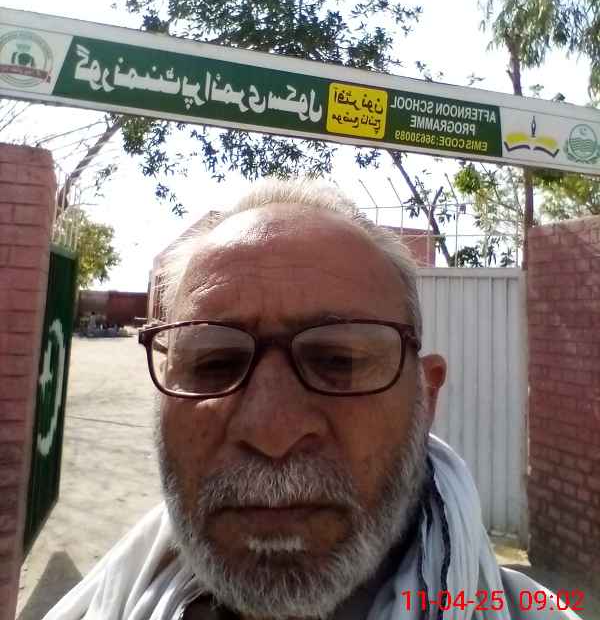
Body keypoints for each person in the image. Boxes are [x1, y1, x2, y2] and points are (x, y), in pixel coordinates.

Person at [44, 179, 580, 620]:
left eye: (338, 361)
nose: (272, 431)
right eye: (215, 363)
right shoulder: (107, 602)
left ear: (427, 397)